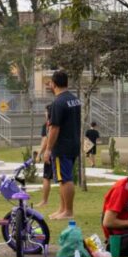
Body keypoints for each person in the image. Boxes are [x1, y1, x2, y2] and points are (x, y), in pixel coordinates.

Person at [42, 70, 82, 221]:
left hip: (62, 146)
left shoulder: (58, 102)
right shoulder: (74, 99)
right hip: (73, 144)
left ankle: (68, 211)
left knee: (65, 179)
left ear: (53, 83)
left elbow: (54, 128)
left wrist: (48, 149)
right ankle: (62, 208)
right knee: (62, 178)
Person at [36, 106, 53, 210]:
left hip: (50, 154)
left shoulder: (48, 125)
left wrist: (39, 153)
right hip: (58, 153)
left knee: (46, 178)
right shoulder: (59, 123)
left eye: (46, 112)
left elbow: (45, 140)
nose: (45, 114)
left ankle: (44, 201)